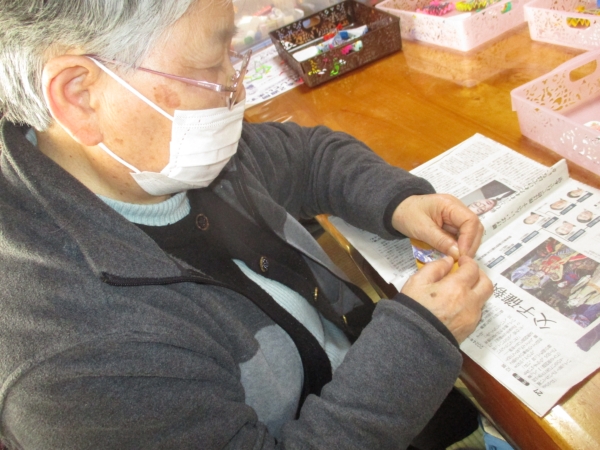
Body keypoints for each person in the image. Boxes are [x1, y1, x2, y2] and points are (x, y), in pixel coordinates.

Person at [0, 1, 492, 449]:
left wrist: (399, 202)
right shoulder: (78, 365)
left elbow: (309, 158)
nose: (237, 87)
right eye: (211, 62)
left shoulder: (148, 156)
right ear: (80, 96)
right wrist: (417, 342)